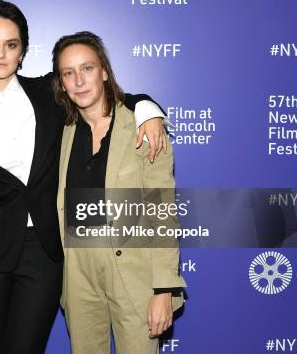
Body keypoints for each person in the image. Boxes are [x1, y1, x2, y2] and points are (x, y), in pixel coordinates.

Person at [0, 0, 169, 354]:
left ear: (22, 52)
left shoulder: (49, 93)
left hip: (45, 252)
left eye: (11, 45)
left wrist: (148, 108)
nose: (1, 54)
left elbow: (104, 91)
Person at [52, 31, 186, 353]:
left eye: (87, 68)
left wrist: (163, 289)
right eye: (69, 73)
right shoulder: (63, 130)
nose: (79, 81)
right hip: (79, 271)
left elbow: (161, 211)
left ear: (104, 71)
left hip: (133, 269)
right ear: (62, 82)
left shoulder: (142, 126)